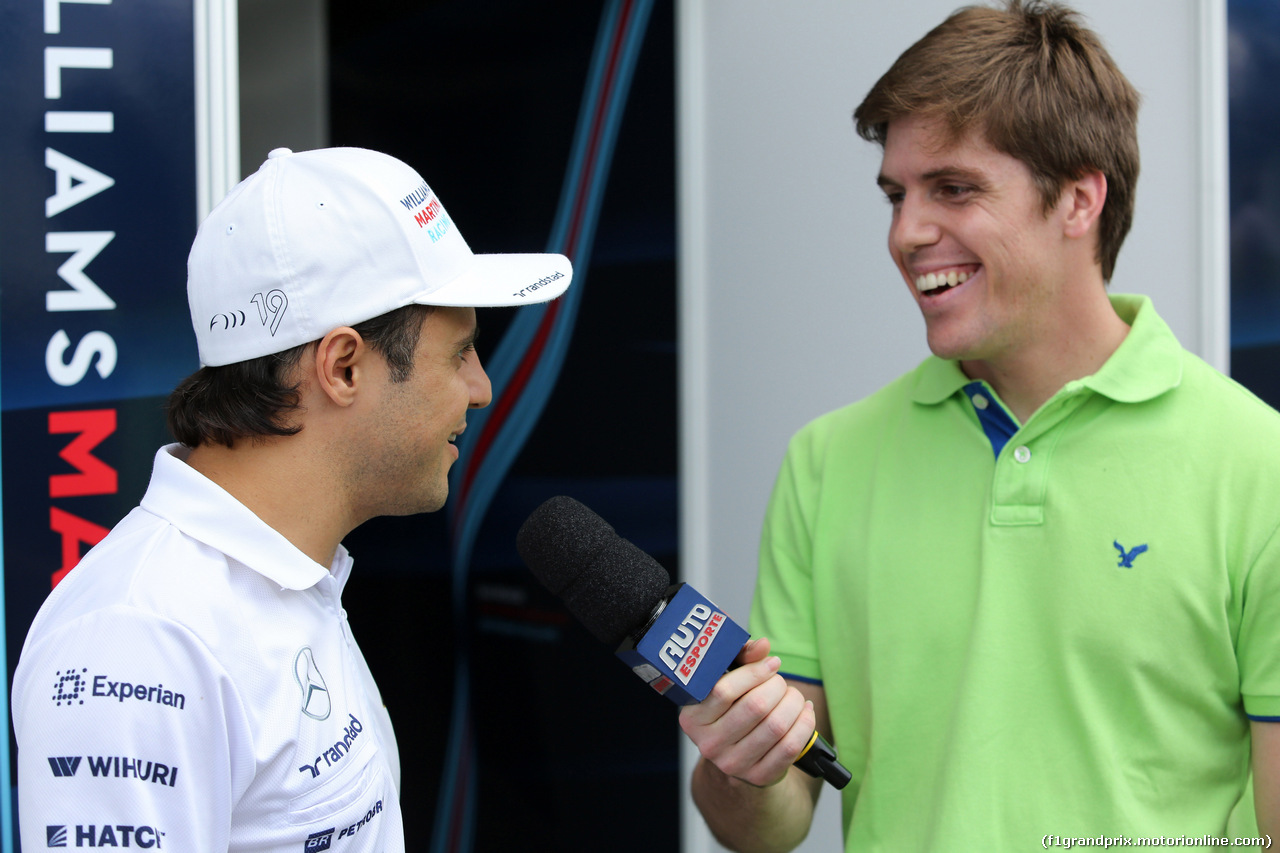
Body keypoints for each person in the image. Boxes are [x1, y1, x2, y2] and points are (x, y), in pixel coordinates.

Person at [679, 2, 1280, 851]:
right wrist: (739, 764)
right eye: (896, 194)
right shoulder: (827, 462)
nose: (906, 232)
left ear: (1078, 198)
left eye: (953, 188)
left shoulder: (1260, 465)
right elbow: (770, 828)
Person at [11, 146, 571, 851]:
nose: (482, 388)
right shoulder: (141, 637)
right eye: (459, 352)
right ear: (342, 366)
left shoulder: (287, 577)